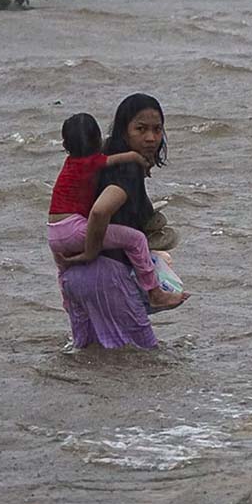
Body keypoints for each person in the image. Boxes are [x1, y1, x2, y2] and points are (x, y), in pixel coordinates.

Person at [58, 94, 188, 350]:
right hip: (106, 276)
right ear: (124, 131)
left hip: (74, 279)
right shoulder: (127, 169)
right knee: (143, 358)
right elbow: (100, 211)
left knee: (87, 358)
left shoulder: (99, 160)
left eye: (157, 129)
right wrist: (92, 251)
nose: (151, 138)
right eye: (141, 129)